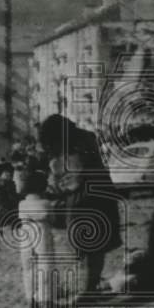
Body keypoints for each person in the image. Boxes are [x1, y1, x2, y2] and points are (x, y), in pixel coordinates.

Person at [37, 114, 122, 298]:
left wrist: (57, 186)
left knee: (85, 245)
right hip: (100, 196)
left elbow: (70, 177)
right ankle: (90, 286)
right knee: (96, 245)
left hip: (85, 198)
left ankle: (87, 289)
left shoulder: (73, 148)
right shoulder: (85, 138)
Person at [16, 170, 58, 307]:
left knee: (28, 265)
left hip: (26, 232)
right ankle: (45, 298)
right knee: (45, 264)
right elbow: (53, 219)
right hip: (42, 231)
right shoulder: (45, 203)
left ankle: (30, 297)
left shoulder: (21, 204)